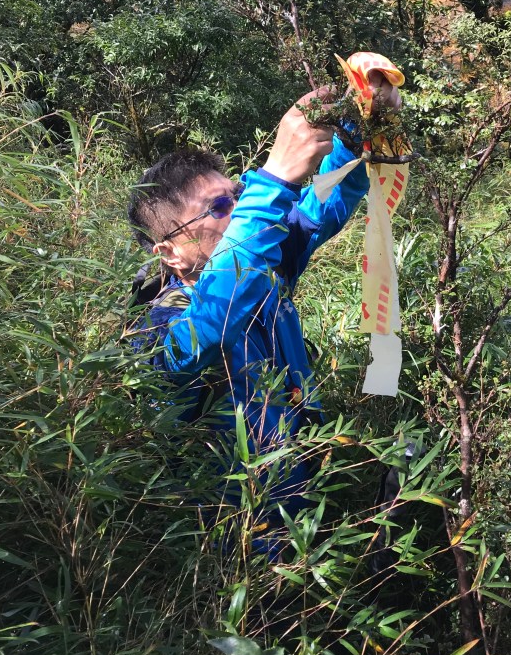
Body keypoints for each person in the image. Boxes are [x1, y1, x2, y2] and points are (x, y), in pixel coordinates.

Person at [127, 77, 401, 520]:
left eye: (238, 196)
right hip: (235, 535)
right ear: (170, 253)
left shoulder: (267, 267)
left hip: (304, 501)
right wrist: (274, 178)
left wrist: (357, 131)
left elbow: (320, 202)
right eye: (219, 208)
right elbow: (215, 319)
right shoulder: (158, 331)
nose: (237, 211)